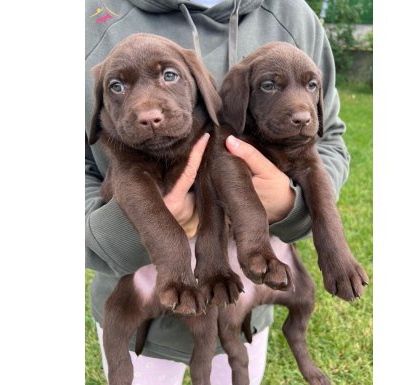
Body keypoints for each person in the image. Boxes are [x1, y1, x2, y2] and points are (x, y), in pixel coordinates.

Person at [85, 0, 351, 384]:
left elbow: (327, 138)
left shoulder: (294, 16)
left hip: (239, 295)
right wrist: (119, 234)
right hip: (134, 287)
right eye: (117, 86)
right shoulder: (88, 19)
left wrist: (291, 206)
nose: (147, 111)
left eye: (170, 77)